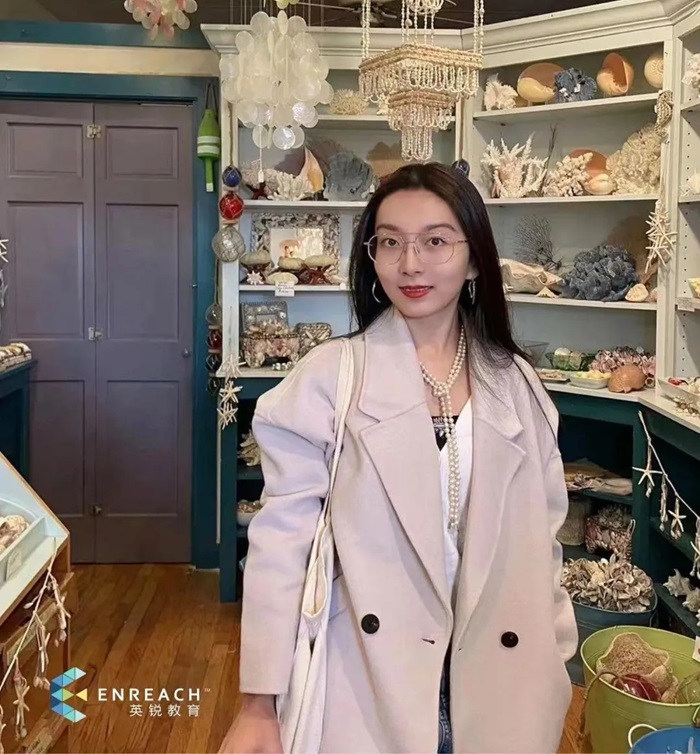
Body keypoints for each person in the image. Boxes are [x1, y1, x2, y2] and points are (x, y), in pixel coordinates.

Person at [219, 162, 578, 754]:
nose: (410, 264)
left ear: (474, 259)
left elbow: (545, 539)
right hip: (366, 683)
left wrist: (555, 660)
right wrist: (259, 703)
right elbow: (281, 546)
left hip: (502, 685)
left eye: (435, 241)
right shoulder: (330, 378)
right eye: (390, 242)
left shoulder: (517, 385)